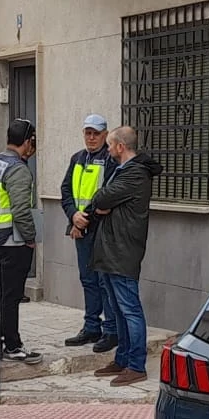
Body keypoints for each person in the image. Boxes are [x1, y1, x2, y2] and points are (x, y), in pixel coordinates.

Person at [73, 125, 162, 386]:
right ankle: (122, 359)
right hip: (111, 249)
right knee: (119, 309)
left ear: (121, 147)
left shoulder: (134, 173)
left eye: (111, 145)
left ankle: (136, 365)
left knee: (130, 309)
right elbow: (101, 201)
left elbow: (101, 197)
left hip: (123, 250)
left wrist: (103, 206)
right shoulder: (123, 170)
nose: (108, 149)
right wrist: (102, 207)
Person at [0, 118, 41, 364]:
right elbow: (21, 210)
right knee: (11, 296)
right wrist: (30, 238)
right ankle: (12, 346)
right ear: (27, 142)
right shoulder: (18, 169)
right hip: (12, 242)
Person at [59, 114, 119, 352]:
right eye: (88, 133)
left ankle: (111, 330)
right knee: (88, 280)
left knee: (105, 282)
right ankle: (91, 327)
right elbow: (65, 190)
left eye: (96, 133)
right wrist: (73, 215)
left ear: (105, 135)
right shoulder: (78, 158)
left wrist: (84, 219)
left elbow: (107, 194)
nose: (91, 137)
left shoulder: (110, 159)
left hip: (101, 230)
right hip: (81, 229)